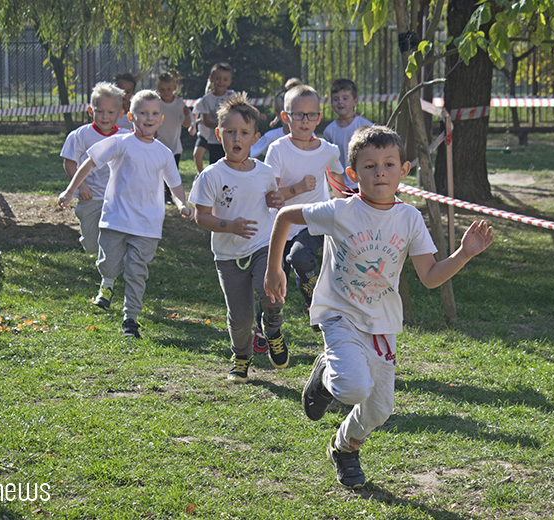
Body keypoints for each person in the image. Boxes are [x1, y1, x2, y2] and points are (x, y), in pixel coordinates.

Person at [264, 125, 494, 489]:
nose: (380, 172)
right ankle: (327, 376)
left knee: (380, 408)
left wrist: (464, 254)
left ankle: (344, 447)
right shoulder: (340, 211)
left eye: (388, 164)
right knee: (352, 387)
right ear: (353, 173)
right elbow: (285, 217)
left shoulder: (409, 218)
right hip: (339, 314)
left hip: (382, 323)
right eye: (369, 166)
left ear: (404, 171)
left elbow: (430, 276)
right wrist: (274, 268)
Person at [58, 90, 194, 339]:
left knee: (136, 271)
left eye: (154, 113)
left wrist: (181, 204)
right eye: (143, 113)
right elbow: (89, 162)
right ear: (131, 116)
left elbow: (174, 185)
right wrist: (70, 191)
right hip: (115, 220)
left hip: (148, 225)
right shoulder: (120, 143)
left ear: (161, 119)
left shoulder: (164, 153)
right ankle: (107, 282)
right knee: (109, 266)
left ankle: (130, 319)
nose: (149, 118)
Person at [188, 92, 289, 382]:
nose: (237, 138)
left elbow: (271, 198)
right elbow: (201, 216)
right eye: (230, 132)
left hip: (262, 244)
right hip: (228, 255)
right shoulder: (210, 175)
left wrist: (275, 200)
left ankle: (272, 329)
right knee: (240, 317)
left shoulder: (265, 172)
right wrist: (229, 225)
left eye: (244, 133)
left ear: (254, 138)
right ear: (219, 134)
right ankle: (241, 356)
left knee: (270, 290)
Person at [264, 84, 342, 316]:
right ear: (285, 117)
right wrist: (297, 189)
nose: (305, 121)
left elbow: (339, 183)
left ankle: (314, 302)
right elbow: (271, 197)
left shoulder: (328, 150)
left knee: (300, 256)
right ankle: (267, 327)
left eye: (311, 115)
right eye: (298, 115)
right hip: (281, 224)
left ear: (319, 118)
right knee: (274, 280)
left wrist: (345, 212)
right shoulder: (277, 149)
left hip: (314, 220)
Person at [60, 81, 125, 255]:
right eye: (99, 111)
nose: (105, 117)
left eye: (110, 112)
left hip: (117, 200)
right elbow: (69, 163)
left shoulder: (125, 137)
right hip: (90, 198)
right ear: (90, 111)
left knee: (114, 239)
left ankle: (113, 262)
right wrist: (81, 186)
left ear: (120, 113)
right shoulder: (80, 135)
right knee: (92, 246)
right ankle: (94, 247)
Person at [323, 78, 373, 191]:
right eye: (336, 99)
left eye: (345, 98)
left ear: (355, 101)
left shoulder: (366, 126)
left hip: (363, 183)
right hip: (341, 185)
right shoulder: (329, 131)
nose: (340, 102)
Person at [155, 71, 191, 203]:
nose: (165, 92)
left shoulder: (179, 103)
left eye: (169, 89)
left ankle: (171, 195)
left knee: (172, 172)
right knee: (158, 171)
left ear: (174, 88)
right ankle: (161, 195)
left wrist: (187, 115)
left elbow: (186, 124)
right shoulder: (156, 102)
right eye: (162, 89)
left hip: (174, 146)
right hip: (158, 143)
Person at [249, 78, 302, 160]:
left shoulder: (308, 135)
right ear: (279, 115)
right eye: (285, 113)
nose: (289, 117)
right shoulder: (271, 137)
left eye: (294, 112)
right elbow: (250, 152)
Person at [194, 63, 235, 167]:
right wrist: (222, 128)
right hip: (214, 140)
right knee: (216, 166)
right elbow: (207, 121)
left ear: (230, 81)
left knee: (231, 165)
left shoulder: (232, 96)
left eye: (225, 79)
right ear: (211, 79)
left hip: (231, 139)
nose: (221, 82)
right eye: (217, 78)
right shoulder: (206, 99)